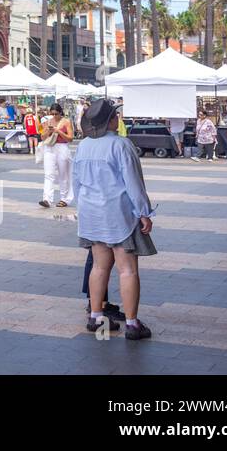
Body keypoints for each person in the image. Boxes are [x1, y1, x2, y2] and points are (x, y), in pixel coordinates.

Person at [74, 98, 156, 339]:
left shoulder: (83, 146)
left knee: (99, 266)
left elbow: (76, 184)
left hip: (92, 214)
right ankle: (132, 324)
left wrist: (85, 206)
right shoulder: (122, 145)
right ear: (111, 120)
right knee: (127, 270)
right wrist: (144, 212)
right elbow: (134, 184)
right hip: (119, 214)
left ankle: (96, 318)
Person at [39, 103, 75, 208]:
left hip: (62, 147)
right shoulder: (48, 122)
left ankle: (64, 198)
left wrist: (58, 131)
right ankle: (47, 199)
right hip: (50, 147)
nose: (54, 116)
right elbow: (42, 137)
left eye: (56, 114)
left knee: (63, 175)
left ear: (60, 113)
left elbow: (70, 138)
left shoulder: (66, 122)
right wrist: (49, 131)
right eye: (52, 114)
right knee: (48, 174)